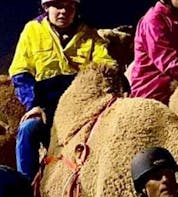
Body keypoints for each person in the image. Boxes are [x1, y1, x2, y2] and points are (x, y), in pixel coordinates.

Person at [9, 0, 117, 180]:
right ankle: (26, 191)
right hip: (45, 106)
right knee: (28, 129)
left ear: (75, 9)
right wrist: (33, 105)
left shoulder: (89, 34)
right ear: (46, 7)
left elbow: (106, 65)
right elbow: (20, 72)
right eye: (58, 6)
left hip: (81, 104)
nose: (63, 11)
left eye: (69, 7)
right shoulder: (32, 31)